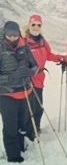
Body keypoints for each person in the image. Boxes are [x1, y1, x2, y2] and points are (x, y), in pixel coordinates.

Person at [0, 21, 37, 163]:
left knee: (23, 123)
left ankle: (22, 147)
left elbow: (35, 66)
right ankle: (13, 156)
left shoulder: (24, 46)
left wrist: (29, 72)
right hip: (7, 95)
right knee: (10, 126)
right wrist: (12, 77)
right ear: (5, 34)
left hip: (25, 92)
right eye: (10, 36)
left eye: (15, 36)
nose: (13, 38)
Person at [23, 14, 66, 133]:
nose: (36, 27)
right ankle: (28, 132)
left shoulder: (42, 41)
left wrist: (62, 58)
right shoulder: (24, 41)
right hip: (28, 79)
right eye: (33, 24)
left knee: (38, 107)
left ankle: (35, 129)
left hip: (40, 78)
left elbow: (49, 55)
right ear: (29, 25)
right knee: (29, 108)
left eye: (38, 25)